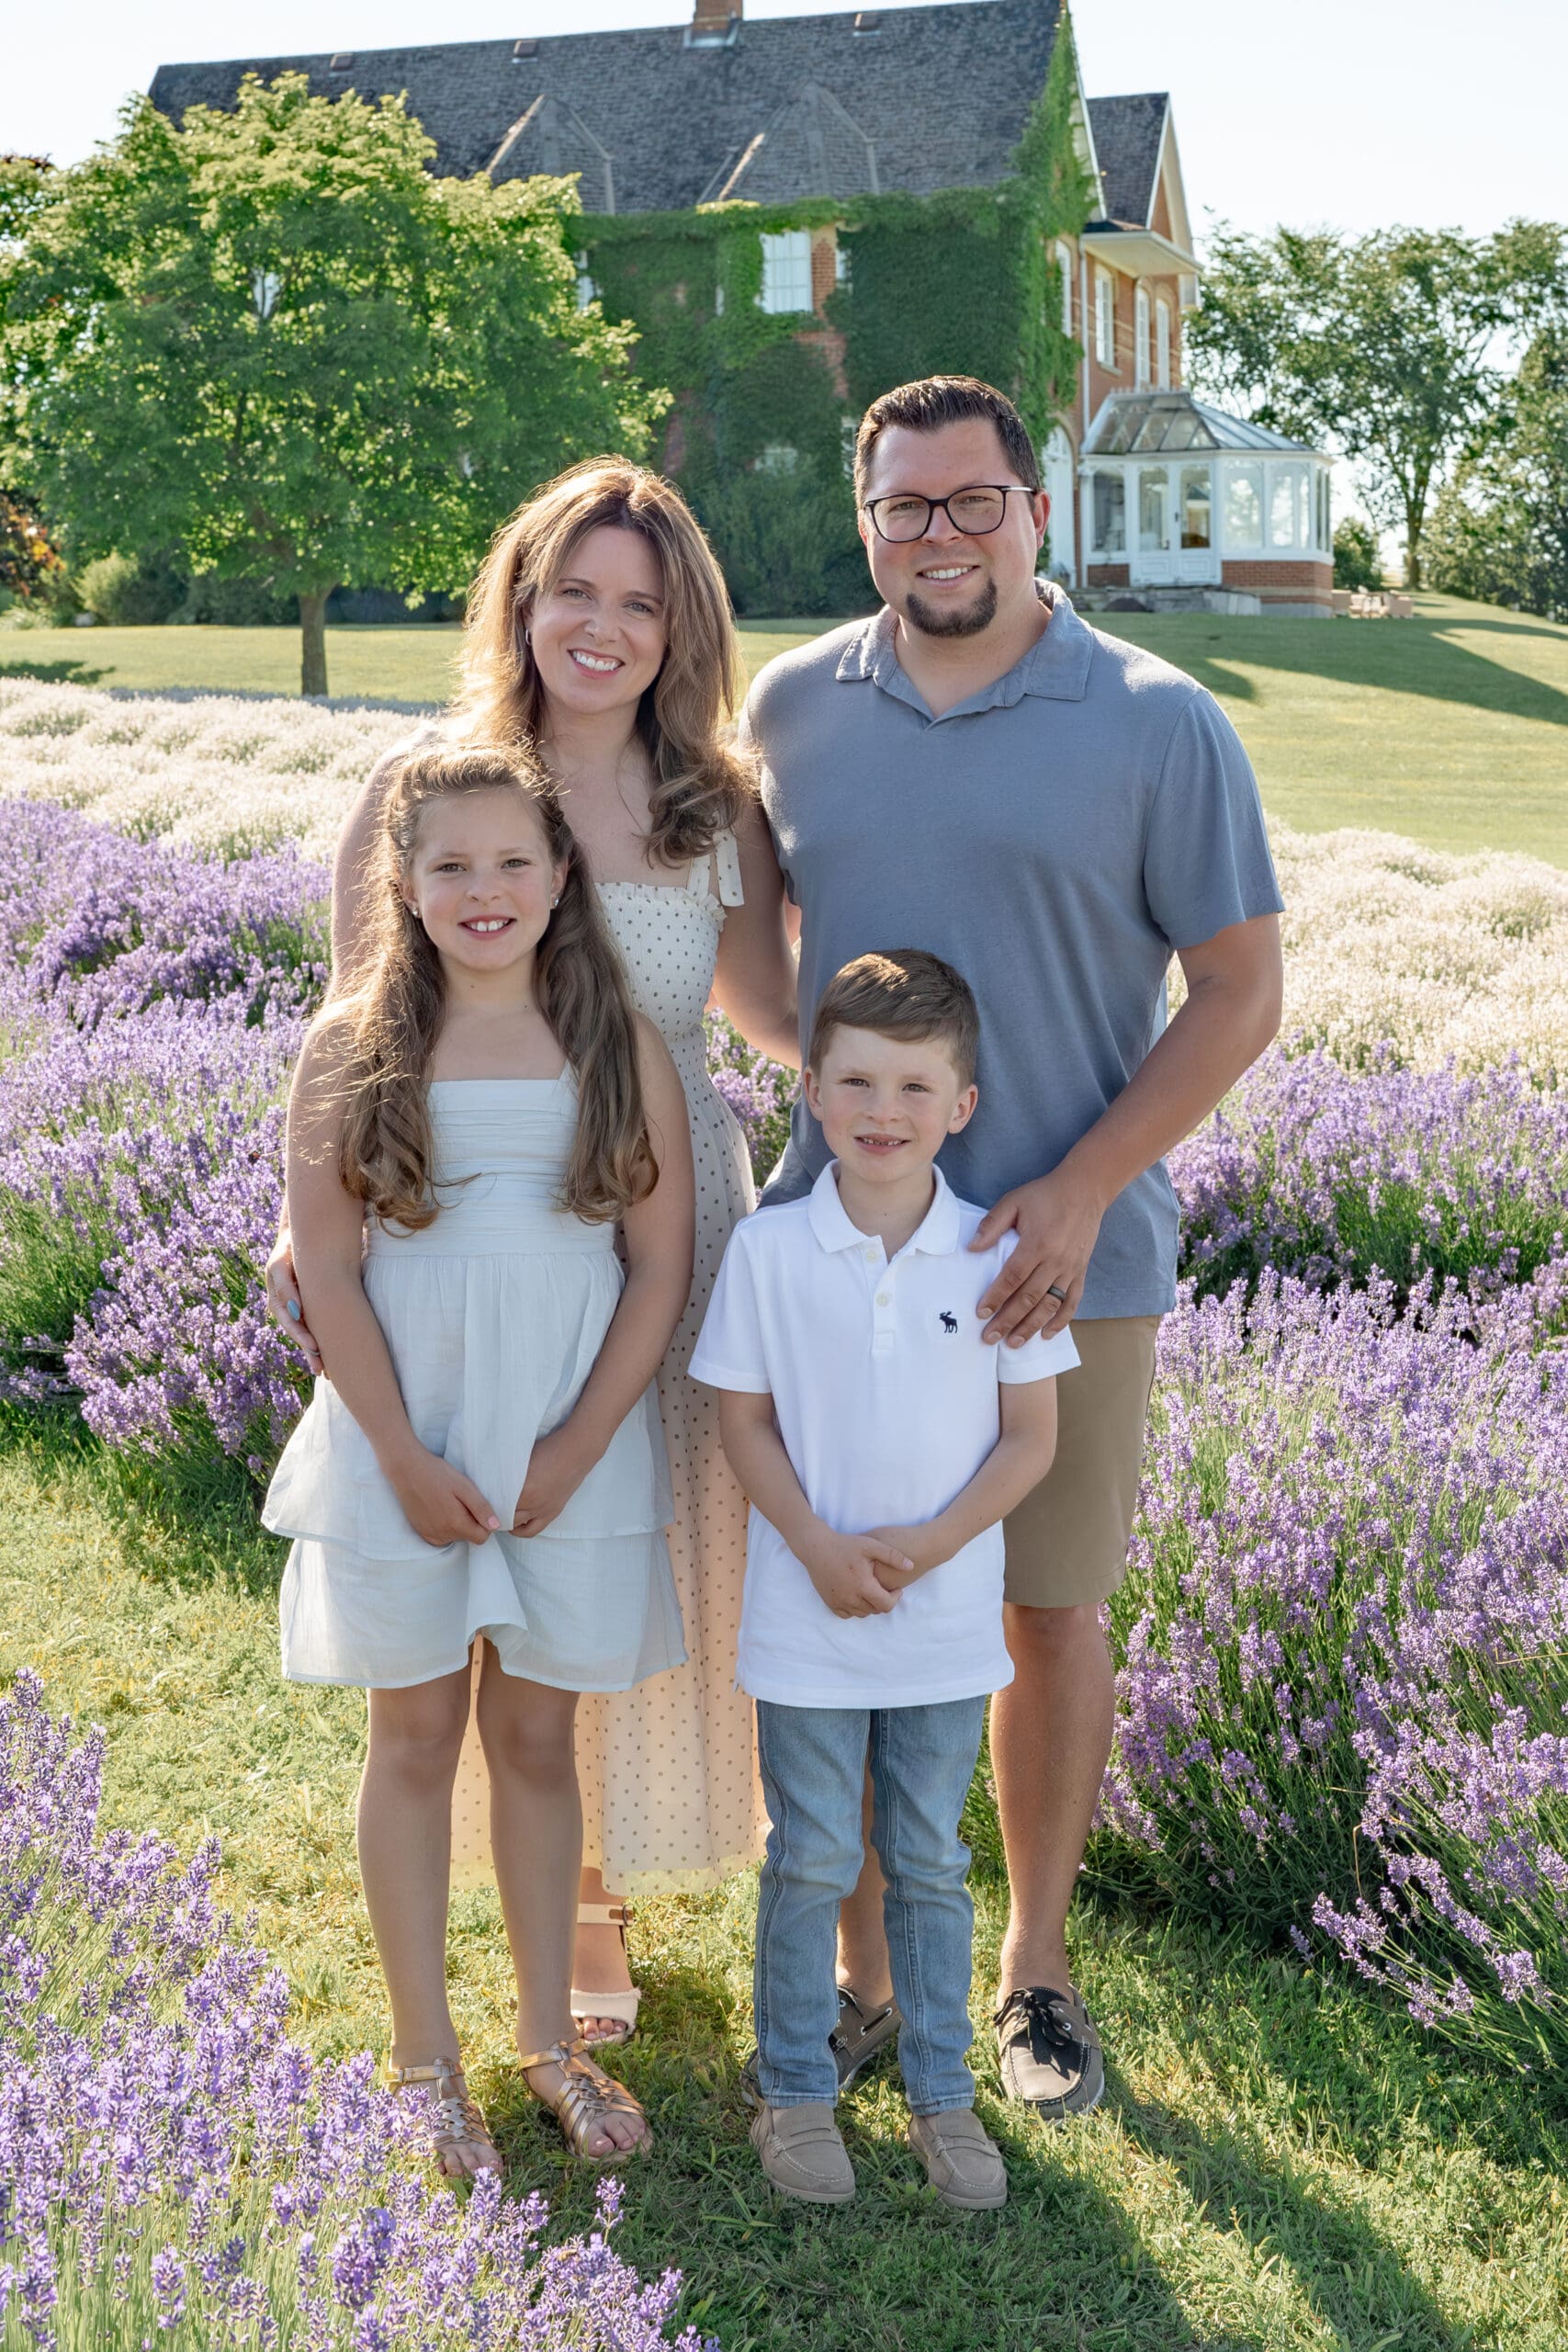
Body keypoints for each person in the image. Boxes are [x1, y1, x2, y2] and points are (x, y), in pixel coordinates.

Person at [740, 376, 1284, 2120]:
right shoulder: (795, 705)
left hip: (1067, 1262)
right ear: (866, 518)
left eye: (973, 503)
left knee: (1047, 1610)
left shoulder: (1157, 718)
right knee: (836, 1588)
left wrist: (1072, 1184)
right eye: (905, 509)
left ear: (1036, 512)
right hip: (836, 1259)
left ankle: (1037, 1974)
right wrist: (846, 1121)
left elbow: (1242, 993)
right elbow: (754, 964)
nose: (939, 538)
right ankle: (866, 1969)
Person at [266, 460, 796, 2046]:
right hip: (464, 1214)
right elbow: (367, 1031)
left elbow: (767, 1014)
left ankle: (601, 1885)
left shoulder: (715, 807)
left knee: (629, 1545)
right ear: (523, 597)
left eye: (642, 603)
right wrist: (303, 1227)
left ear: (680, 628)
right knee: (487, 1560)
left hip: (662, 1199)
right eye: (577, 589)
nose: (605, 626)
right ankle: (555, 1927)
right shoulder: (434, 789)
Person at [263, 742, 694, 2172]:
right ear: (403, 879)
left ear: (565, 876)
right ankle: (421, 2060)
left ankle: (547, 2042)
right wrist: (394, 1452)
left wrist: (576, 1448)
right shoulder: (352, 1042)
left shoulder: (614, 1041)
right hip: (410, 1434)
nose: (485, 889)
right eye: (450, 864)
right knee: (417, 1736)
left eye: (515, 860)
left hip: (568, 1442)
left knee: (532, 1737)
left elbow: (657, 1264)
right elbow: (327, 1265)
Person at [692, 950, 1078, 2208]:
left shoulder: (994, 1254)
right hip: (805, 1618)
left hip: (944, 1624)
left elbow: (1033, 1443)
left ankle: (941, 2095)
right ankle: (797, 2090)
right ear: (810, 1090)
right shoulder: (770, 1251)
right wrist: (812, 1541)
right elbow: (743, 1420)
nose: (883, 1109)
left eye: (916, 1085)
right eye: (855, 1079)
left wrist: (929, 1546)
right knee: (808, 1855)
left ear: (961, 1105)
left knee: (923, 1859)